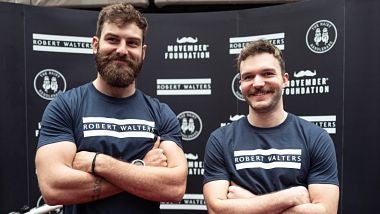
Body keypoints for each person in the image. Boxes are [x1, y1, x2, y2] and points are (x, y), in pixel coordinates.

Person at [35, 3, 187, 214]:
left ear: (143, 52)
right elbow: (53, 187)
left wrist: (99, 163)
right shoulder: (65, 106)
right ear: (95, 44)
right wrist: (141, 170)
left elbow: (174, 187)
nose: (122, 50)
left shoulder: (161, 113)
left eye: (132, 43)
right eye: (112, 39)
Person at [203, 39, 339, 214]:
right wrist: (291, 196)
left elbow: (326, 211)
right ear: (240, 85)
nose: (258, 83)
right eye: (248, 77)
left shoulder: (316, 138)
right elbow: (217, 211)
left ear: (284, 80)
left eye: (267, 73)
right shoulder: (220, 140)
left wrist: (248, 203)